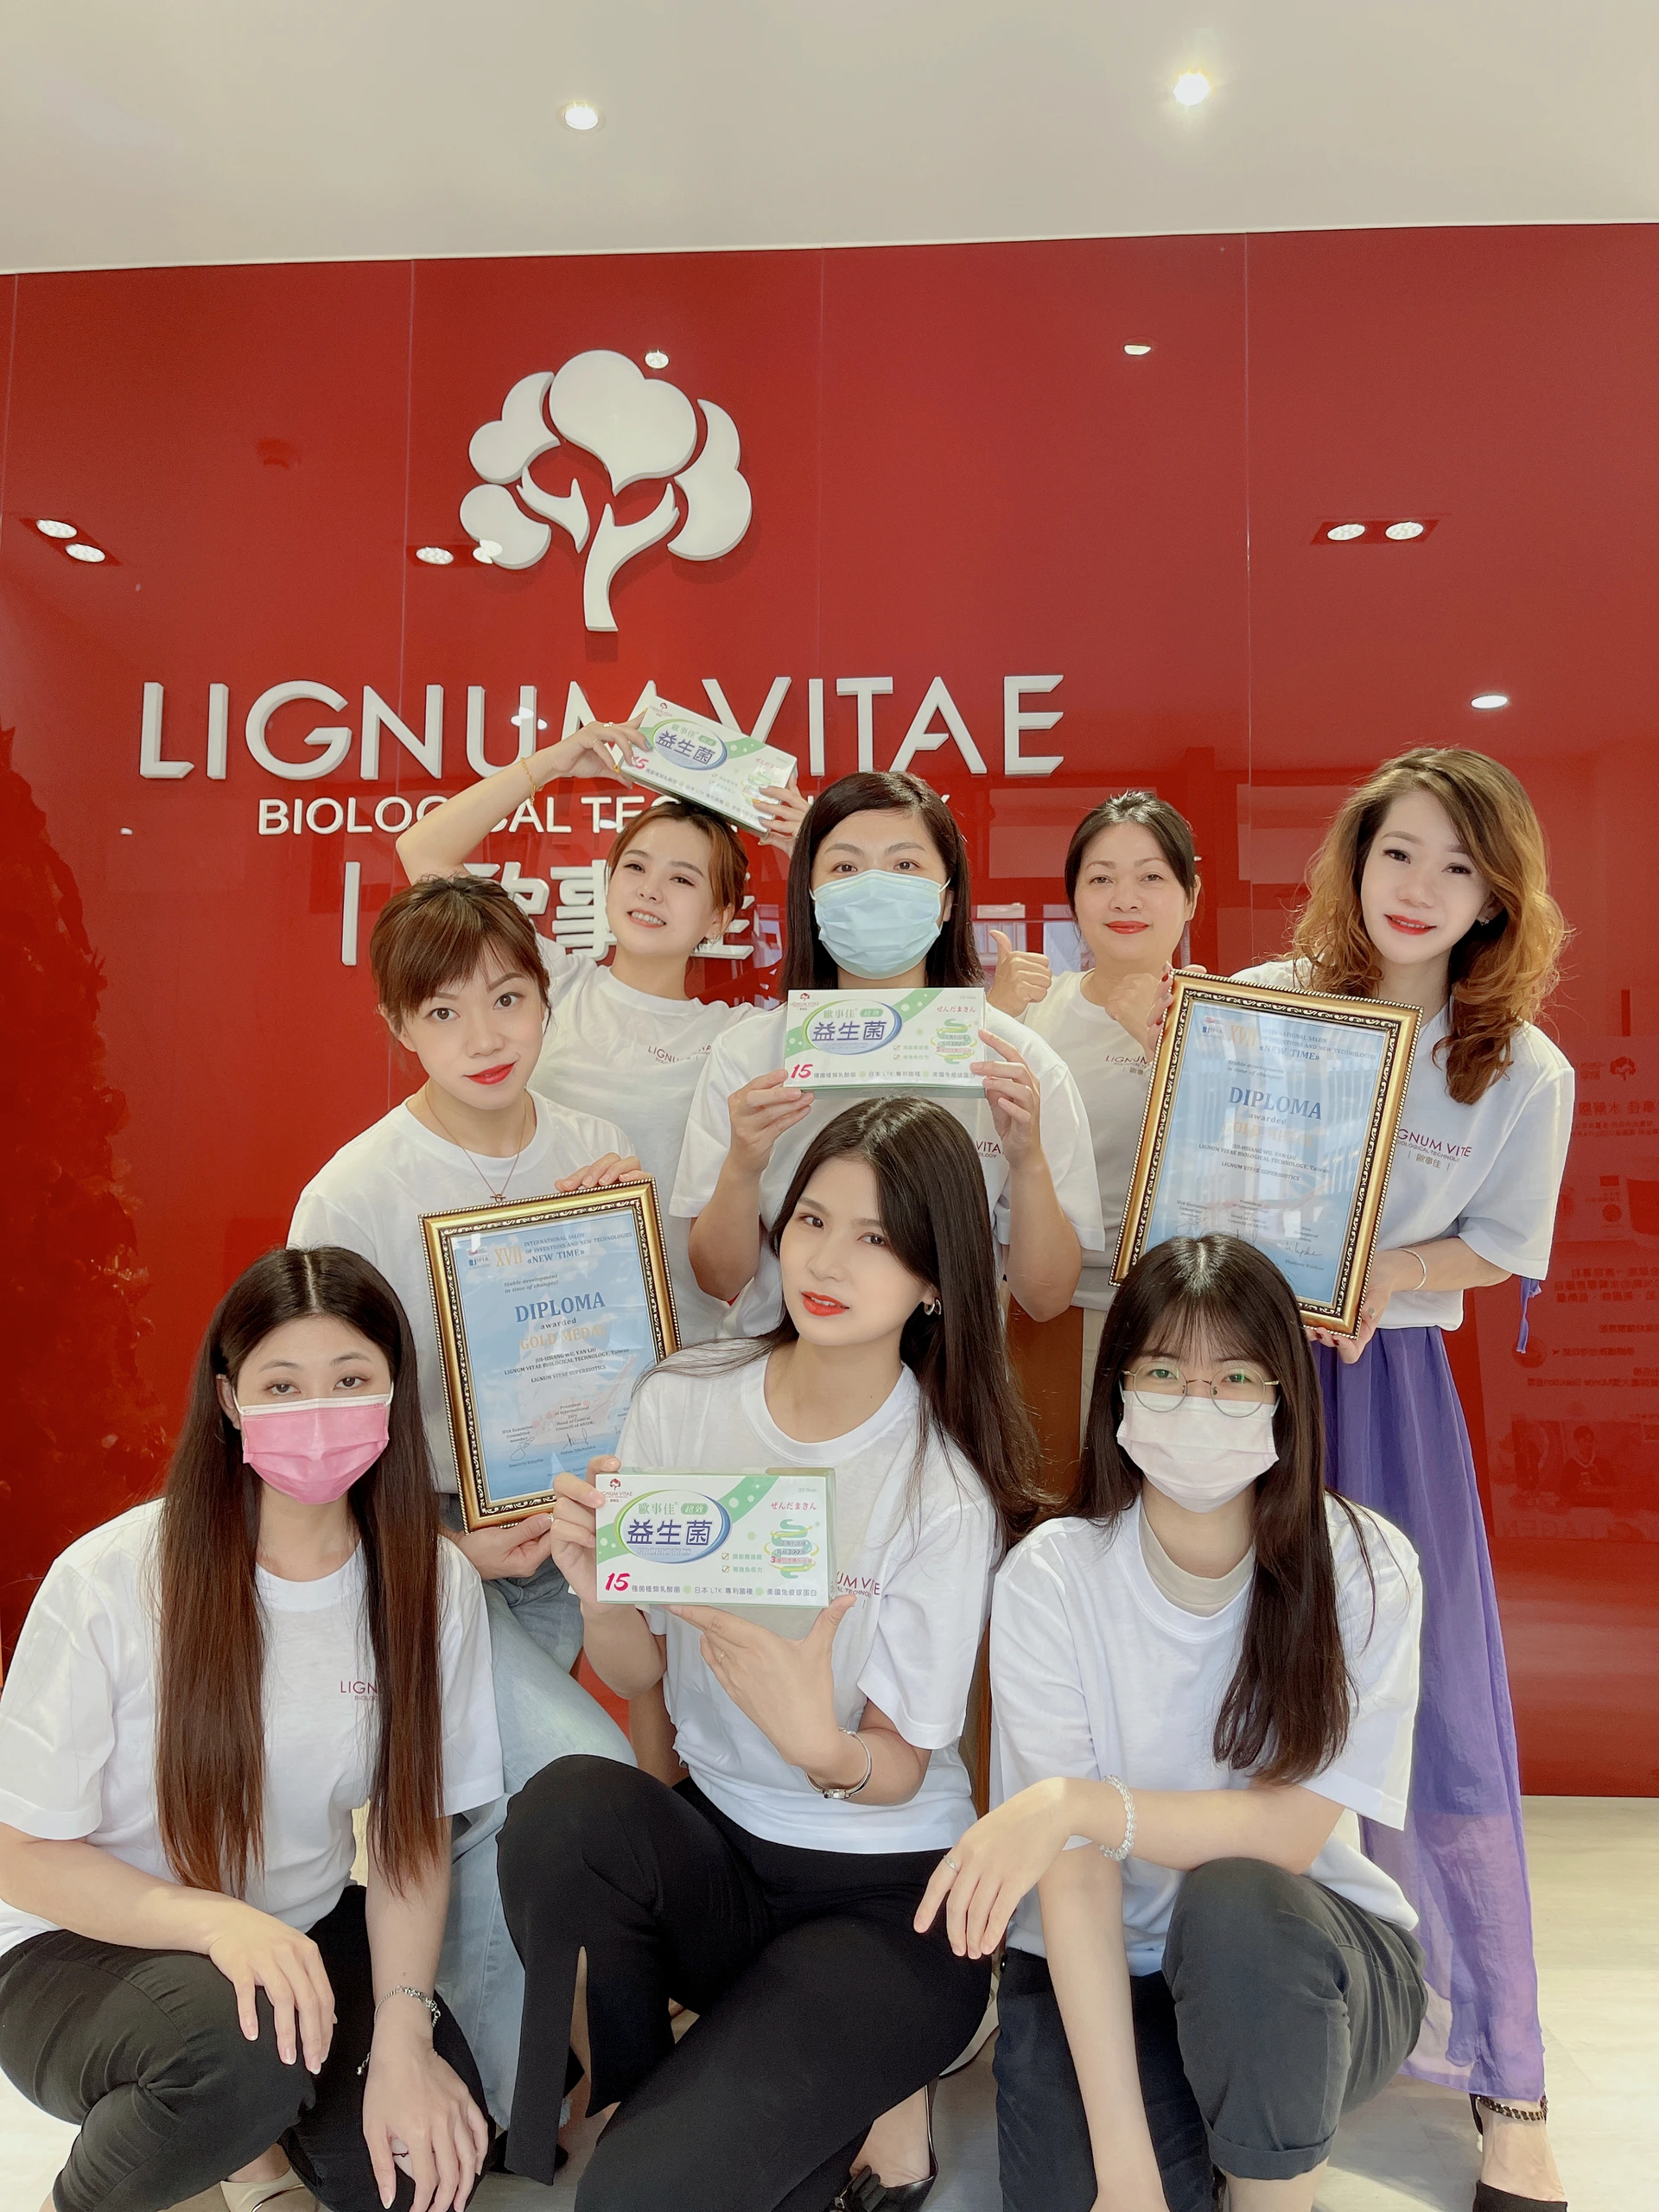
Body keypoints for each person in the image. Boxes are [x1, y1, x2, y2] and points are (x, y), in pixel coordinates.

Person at [494, 1096, 1042, 2208]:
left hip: (885, 1897)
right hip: (723, 1851)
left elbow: (900, 1766)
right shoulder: (682, 1401)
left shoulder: (941, 1489)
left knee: (637, 2199)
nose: (827, 1261)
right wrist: (600, 1594)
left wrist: (820, 1745)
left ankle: (870, 2072)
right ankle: (652, 2090)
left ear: (934, 1282)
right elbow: (640, 1672)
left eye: (876, 1238)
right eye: (812, 1220)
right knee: (563, 1812)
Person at [918, 1233, 1426, 2212]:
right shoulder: (1051, 1578)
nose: (1199, 1404)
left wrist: (1079, 1804)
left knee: (1235, 1902)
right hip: (1100, 1969)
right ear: (1116, 1391)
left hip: (1302, 1957)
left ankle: (1271, 2180)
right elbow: (1075, 1877)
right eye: (1163, 1373)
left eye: (1235, 1377)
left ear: (1284, 1396)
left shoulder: (1365, 1566)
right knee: (1085, 2188)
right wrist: (1128, 2179)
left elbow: (1287, 1837)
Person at [1236, 746, 1573, 2212]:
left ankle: (1506, 2074)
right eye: (1397, 854)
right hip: (1240, 1381)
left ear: (1496, 895)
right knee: (1237, 1693)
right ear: (1354, 865)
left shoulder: (1523, 1065)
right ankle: (1252, 2036)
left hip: (1389, 1395)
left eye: (1457, 864)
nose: (1421, 887)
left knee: (1435, 1711)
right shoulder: (1270, 1004)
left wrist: (1392, 1270)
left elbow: (1503, 1245)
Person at [0, 1246, 501, 2212]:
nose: (318, 1411)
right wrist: (215, 1921)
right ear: (231, 1401)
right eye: (282, 1385)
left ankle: (254, 2140)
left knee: (418, 2170)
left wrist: (404, 2033)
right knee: (241, 2056)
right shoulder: (112, 1579)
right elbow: (17, 1853)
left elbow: (411, 1836)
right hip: (78, 1948)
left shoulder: (430, 1584)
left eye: (349, 1380)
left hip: (294, 1938)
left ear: (393, 1391)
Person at [289, 873, 639, 2131]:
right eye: (442, 1013)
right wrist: (445, 1546)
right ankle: (498, 2092)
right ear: (398, 1026)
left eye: (507, 999)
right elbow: (319, 1427)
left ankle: (513, 2092)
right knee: (571, 1775)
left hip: (577, 1535)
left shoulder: (593, 1147)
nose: (484, 1036)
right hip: (433, 1546)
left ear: (547, 1000)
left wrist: (613, 1231)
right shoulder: (355, 1193)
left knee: (489, 1813)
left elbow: (633, 1354)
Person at [393, 715, 806, 1345]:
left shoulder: (740, 1037)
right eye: (635, 867)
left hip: (672, 1340)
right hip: (529, 1327)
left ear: (720, 918)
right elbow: (422, 854)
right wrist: (551, 765)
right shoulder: (544, 983)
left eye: (682, 879)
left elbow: (866, 1004)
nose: (651, 891)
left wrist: (811, 846)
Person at [676, 769, 1105, 1338]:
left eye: (905, 865)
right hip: (783, 1365)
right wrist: (743, 1165)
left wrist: (1028, 1163)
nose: (875, 887)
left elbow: (1045, 1297)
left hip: (946, 1377)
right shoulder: (750, 1054)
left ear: (947, 900)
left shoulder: (1017, 1064)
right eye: (845, 868)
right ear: (811, 896)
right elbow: (717, 1277)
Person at [987, 791, 1201, 1468]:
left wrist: (1160, 1046)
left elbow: (1246, 1173)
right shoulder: (1035, 1011)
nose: (1124, 899)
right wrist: (993, 1018)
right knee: (1049, 1501)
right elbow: (979, 1158)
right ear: (1074, 900)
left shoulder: (1225, 1016)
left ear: (1190, 898)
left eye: (1151, 877)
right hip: (1050, 1308)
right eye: (1101, 878)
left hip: (1187, 1320)